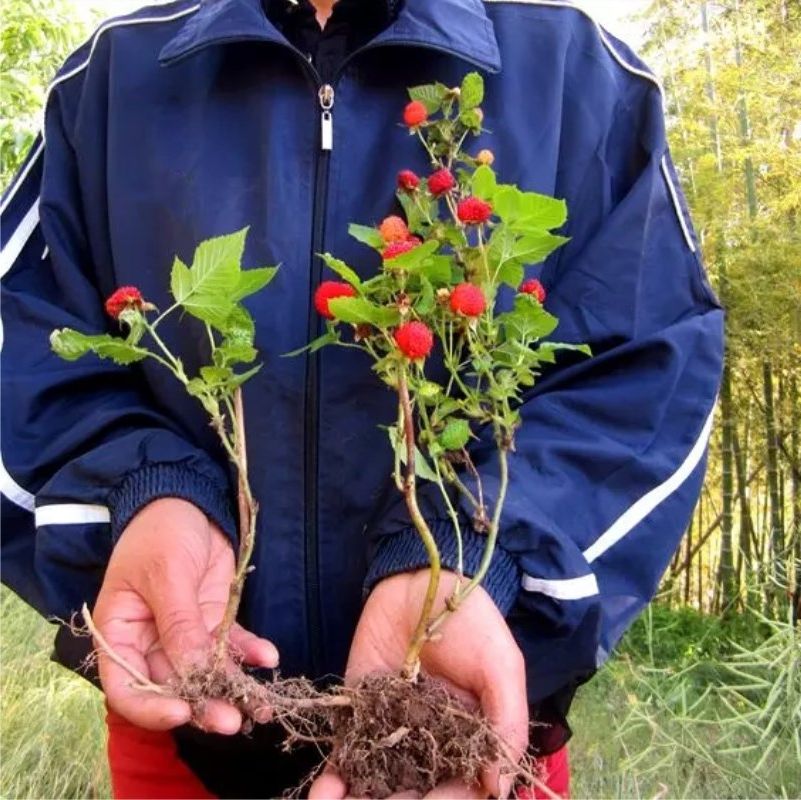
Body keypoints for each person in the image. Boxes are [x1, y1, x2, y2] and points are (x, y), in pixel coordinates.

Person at [0, 0, 724, 797]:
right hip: (185, 727)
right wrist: (145, 490)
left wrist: (476, 560)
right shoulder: (112, 78)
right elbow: (28, 344)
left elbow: (646, 375)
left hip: (469, 726)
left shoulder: (581, 79)